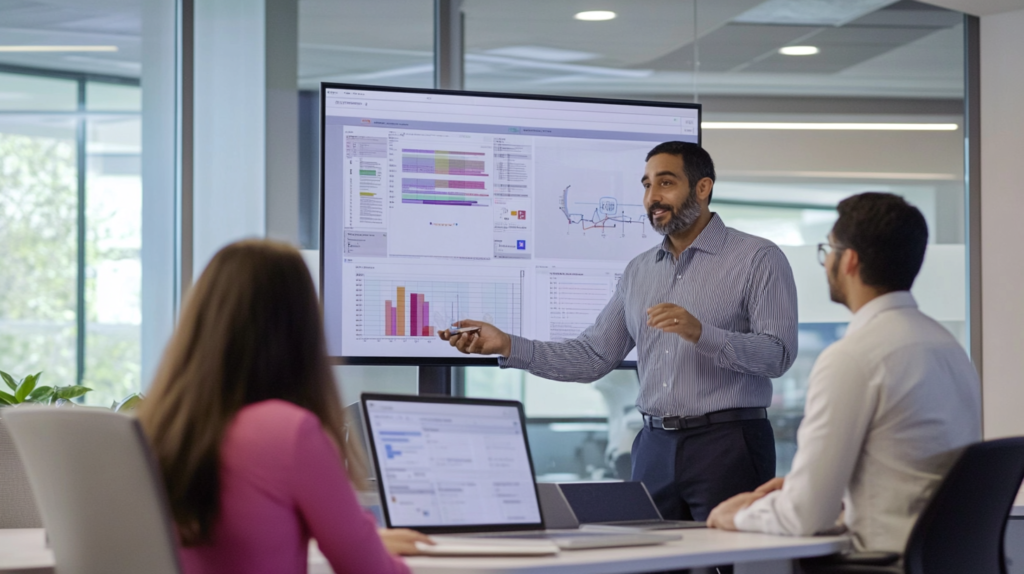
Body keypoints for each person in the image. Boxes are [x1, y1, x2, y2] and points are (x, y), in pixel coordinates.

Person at [440, 141, 799, 521]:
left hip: (728, 444)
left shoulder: (758, 258)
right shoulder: (639, 271)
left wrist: (702, 333)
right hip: (653, 446)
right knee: (649, 561)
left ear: (702, 187)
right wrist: (509, 345)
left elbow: (777, 355)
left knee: (731, 561)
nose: (652, 198)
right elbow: (593, 356)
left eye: (665, 183)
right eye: (646, 186)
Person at [707, 193, 982, 560]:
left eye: (828, 249)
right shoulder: (946, 346)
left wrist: (737, 514)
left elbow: (803, 516)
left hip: (883, 561)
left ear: (849, 260)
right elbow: (914, 469)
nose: (825, 262)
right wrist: (815, 486)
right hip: (946, 560)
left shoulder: (854, 358)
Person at [138, 240, 431, 574]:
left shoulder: (161, 429)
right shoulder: (290, 431)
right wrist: (365, 542)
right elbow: (368, 569)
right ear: (301, 326)